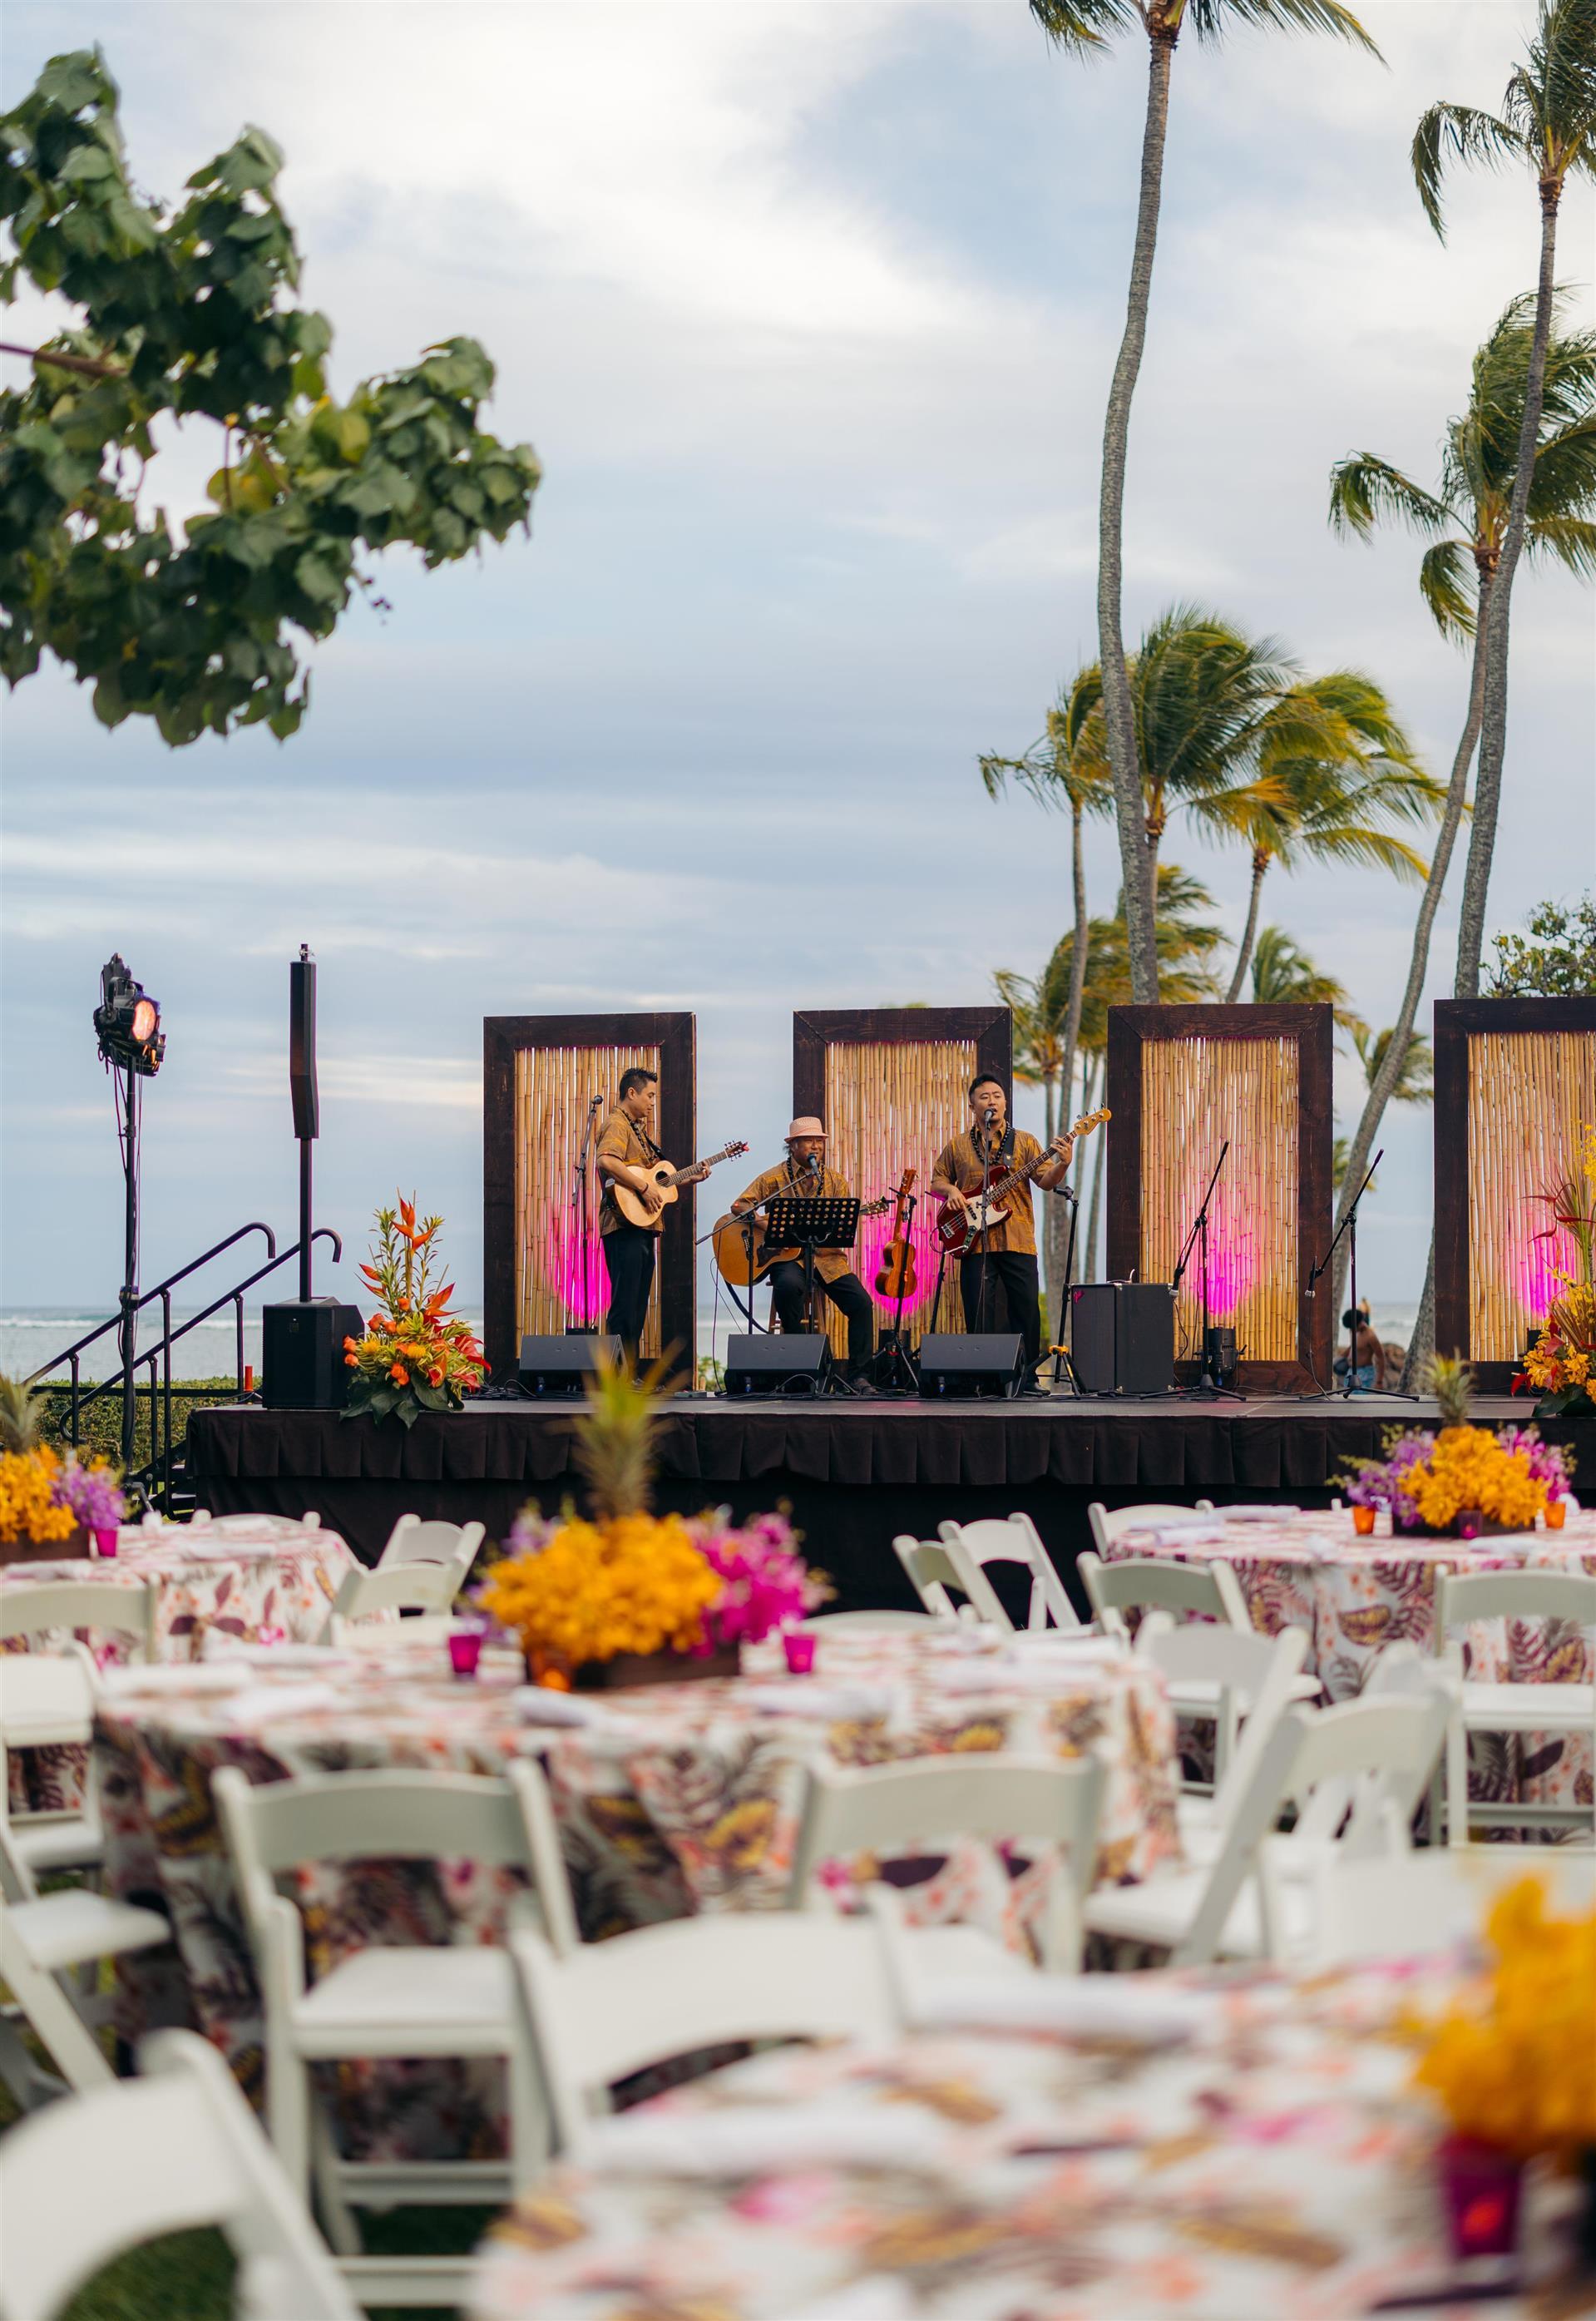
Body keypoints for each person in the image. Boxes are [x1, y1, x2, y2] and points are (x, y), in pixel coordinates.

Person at [931, 1076, 1074, 1393]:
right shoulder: (956, 1145)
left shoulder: (1024, 1141)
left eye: (997, 1095)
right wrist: (952, 1190)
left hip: (1017, 1237)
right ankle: (983, 1378)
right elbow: (937, 1181)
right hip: (973, 1241)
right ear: (973, 1106)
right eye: (984, 1097)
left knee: (1026, 1310)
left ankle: (1027, 1379)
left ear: (1006, 1103)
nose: (991, 1101)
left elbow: (1045, 1182)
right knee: (978, 1310)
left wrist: (1063, 1164)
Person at [732, 1118, 875, 1382]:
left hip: (827, 1260)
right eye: (810, 1140)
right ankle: (801, 1369)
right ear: (794, 1145)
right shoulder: (775, 1178)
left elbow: (841, 1231)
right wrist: (767, 1223)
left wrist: (836, 1226)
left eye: (820, 1141)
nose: (816, 1146)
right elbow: (739, 1206)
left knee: (862, 1304)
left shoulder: (835, 1181)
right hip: (789, 1261)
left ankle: (860, 1376)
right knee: (787, 1288)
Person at [595, 1067, 665, 1363]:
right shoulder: (617, 1124)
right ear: (631, 1093)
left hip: (641, 1226)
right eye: (649, 1095)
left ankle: (630, 1374)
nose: (652, 1102)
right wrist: (643, 1187)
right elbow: (607, 1160)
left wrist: (689, 1177)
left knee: (636, 1303)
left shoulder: (638, 1129)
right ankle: (618, 1378)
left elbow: (654, 1179)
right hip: (623, 1226)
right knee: (625, 1304)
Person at [1335, 1304, 1386, 1391]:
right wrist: (1338, 1359)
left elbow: (1381, 1357)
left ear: (1359, 1323)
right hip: (1351, 1372)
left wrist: (1379, 1381)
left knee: (1360, 1403)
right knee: (1349, 1401)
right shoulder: (1353, 1330)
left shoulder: (1370, 1336)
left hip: (1365, 1374)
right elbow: (1352, 1347)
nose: (1351, 1330)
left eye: (1352, 1327)